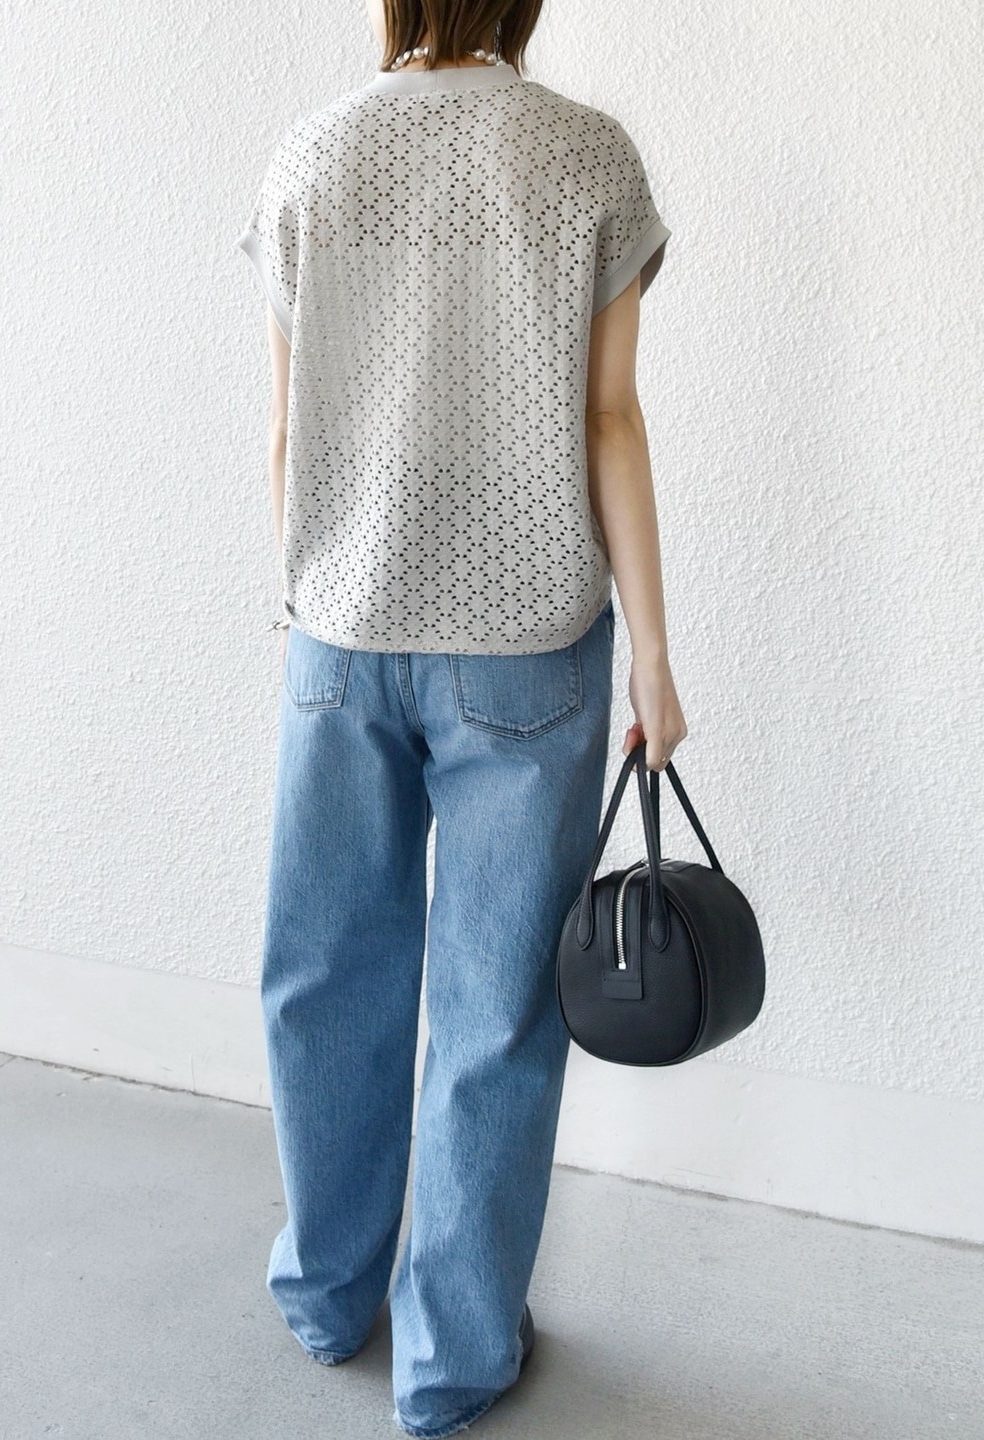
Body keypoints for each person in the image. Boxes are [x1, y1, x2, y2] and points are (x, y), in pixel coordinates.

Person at [236, 3, 688, 1434]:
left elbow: (287, 431)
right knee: (494, 1010)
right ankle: (453, 1360)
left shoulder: (310, 157)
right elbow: (610, 419)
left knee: (324, 974)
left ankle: (326, 1297)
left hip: (341, 631)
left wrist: (306, 603)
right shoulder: (587, 156)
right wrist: (654, 655)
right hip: (526, 649)